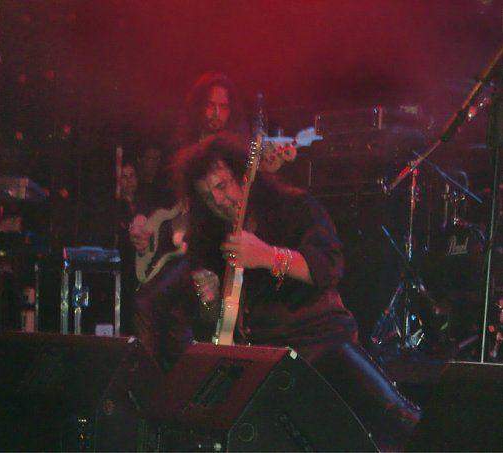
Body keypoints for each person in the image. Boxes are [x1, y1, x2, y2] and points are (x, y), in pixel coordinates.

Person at [137, 132, 421, 448]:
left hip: (321, 342)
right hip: (265, 358)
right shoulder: (211, 239)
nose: (217, 200)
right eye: (207, 195)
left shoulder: (293, 207)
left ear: (244, 176)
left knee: (398, 420)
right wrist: (210, 300)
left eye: (222, 185)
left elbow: (328, 267)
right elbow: (214, 322)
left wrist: (267, 256)